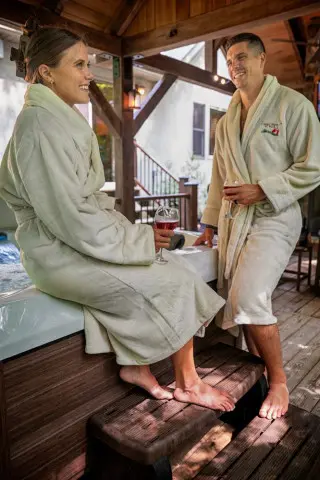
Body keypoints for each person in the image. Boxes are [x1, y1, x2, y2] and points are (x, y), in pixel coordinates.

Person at [0, 25, 235, 412]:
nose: (89, 74)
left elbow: (80, 210)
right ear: (46, 72)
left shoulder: (56, 119)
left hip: (71, 243)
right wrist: (138, 240)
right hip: (58, 254)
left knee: (166, 267)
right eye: (79, 64)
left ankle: (135, 365)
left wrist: (138, 238)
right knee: (172, 282)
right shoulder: (39, 127)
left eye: (88, 63)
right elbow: (70, 217)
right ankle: (188, 383)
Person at [195, 32, 320, 420]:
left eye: (243, 57)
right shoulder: (226, 119)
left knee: (248, 296)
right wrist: (209, 224)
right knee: (239, 302)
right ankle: (258, 380)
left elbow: (313, 166)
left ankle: (279, 381)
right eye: (230, 61)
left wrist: (263, 190)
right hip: (235, 222)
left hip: (274, 218)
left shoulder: (292, 106)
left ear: (263, 60)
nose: (236, 66)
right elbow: (219, 176)